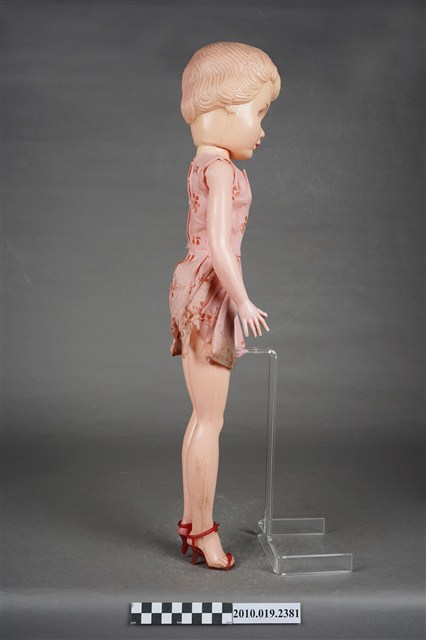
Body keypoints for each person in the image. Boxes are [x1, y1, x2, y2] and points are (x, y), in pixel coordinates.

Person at [169, 41, 281, 570]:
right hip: (211, 292)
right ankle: (205, 533)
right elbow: (218, 244)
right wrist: (243, 299)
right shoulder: (222, 170)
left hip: (193, 284)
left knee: (201, 417)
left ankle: (192, 523)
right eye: (258, 112)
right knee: (210, 420)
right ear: (224, 108)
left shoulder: (204, 162)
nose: (261, 129)